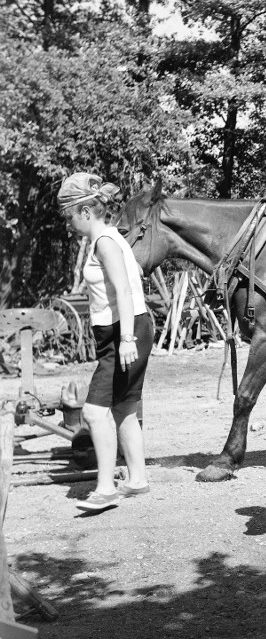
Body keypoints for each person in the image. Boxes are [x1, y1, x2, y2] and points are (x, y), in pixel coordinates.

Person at [58, 173, 153, 512]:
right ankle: (137, 479)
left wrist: (126, 338)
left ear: (85, 211)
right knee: (124, 408)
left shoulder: (104, 242)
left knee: (94, 412)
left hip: (123, 332)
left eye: (70, 216)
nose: (69, 224)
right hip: (127, 328)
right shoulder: (111, 237)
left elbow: (124, 291)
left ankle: (105, 487)